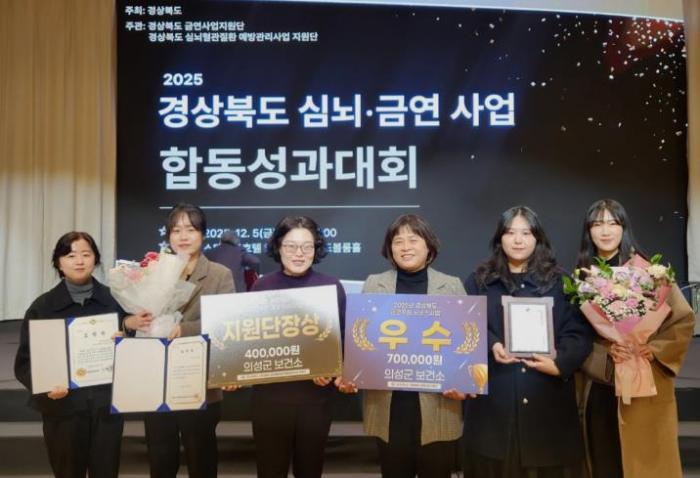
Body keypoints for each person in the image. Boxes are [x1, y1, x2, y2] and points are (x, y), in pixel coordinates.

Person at [462, 206, 593, 478]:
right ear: (500, 238)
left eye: (526, 233)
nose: (518, 240)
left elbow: (578, 333)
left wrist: (559, 363)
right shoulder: (479, 281)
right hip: (494, 406)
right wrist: (492, 344)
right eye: (510, 233)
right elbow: (464, 327)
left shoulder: (561, 281)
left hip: (546, 402)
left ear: (538, 238)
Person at [576, 198, 695, 478]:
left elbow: (683, 320)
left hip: (646, 383)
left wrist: (653, 348)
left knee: (646, 463)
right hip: (602, 385)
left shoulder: (650, 274)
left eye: (613, 223)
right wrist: (605, 354)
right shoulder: (583, 280)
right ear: (589, 231)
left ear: (624, 227)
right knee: (604, 461)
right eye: (597, 224)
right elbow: (572, 335)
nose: (606, 230)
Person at [352, 213, 467, 478]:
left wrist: (463, 381)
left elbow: (464, 346)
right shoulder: (374, 284)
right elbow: (362, 339)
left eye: (413, 240)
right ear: (390, 248)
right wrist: (355, 372)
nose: (405, 247)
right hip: (389, 406)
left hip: (438, 404)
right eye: (398, 241)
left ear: (429, 246)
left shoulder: (451, 285)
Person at [14, 231, 132, 478]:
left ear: (95, 259)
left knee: (106, 472)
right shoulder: (42, 307)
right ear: (59, 263)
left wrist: (125, 342)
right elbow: (24, 363)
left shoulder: (115, 301)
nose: (79, 261)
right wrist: (45, 385)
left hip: (106, 406)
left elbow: (136, 352)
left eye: (86, 254)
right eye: (70, 255)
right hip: (62, 408)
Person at [129, 203, 235, 478]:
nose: (183, 236)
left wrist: (184, 329)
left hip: (199, 381)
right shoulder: (152, 271)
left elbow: (226, 325)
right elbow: (132, 316)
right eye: (176, 230)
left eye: (190, 229)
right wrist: (133, 322)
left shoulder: (220, 274)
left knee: (201, 460)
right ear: (168, 236)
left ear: (203, 234)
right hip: (157, 381)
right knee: (160, 458)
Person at [248, 215, 346, 478]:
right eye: (291, 246)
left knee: (310, 470)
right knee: (270, 471)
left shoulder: (331, 286)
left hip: (315, 401)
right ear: (278, 247)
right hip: (270, 400)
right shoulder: (262, 286)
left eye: (307, 246)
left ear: (316, 248)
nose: (299, 253)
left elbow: (343, 340)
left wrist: (334, 368)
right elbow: (250, 342)